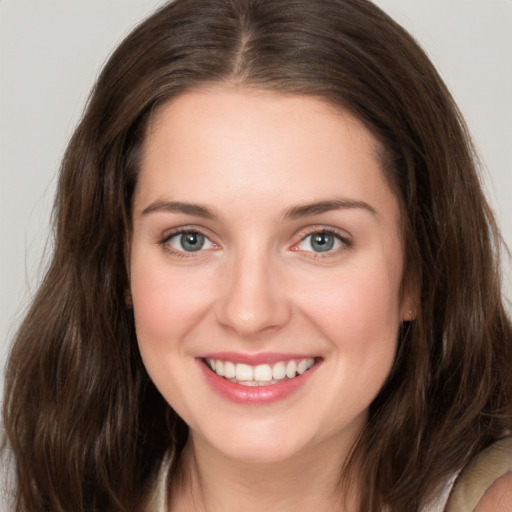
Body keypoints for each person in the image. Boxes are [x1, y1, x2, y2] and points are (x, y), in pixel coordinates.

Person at [2, 0, 511, 511]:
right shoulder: (64, 492)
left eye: (321, 240)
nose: (249, 313)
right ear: (120, 267)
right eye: (190, 239)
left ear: (419, 275)